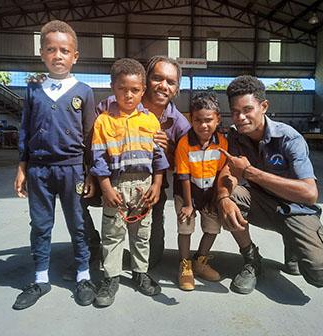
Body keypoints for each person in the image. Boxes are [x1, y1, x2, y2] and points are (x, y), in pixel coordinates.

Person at [217, 75, 323, 294]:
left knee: (321, 273)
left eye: (247, 110)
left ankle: (293, 241)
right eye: (235, 112)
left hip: (296, 209)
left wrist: (250, 172)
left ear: (263, 106)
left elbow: (310, 193)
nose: (240, 117)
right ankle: (252, 260)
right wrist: (224, 198)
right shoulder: (236, 137)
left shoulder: (290, 139)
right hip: (263, 204)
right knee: (228, 196)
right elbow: (229, 172)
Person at [13, 20, 97, 309]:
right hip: (39, 169)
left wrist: (91, 173)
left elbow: (90, 135)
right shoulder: (33, 88)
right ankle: (40, 278)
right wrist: (22, 166)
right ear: (41, 53)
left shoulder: (84, 91)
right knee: (40, 224)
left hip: (72, 168)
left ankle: (83, 276)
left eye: (64, 50)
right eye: (51, 49)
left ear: (75, 55)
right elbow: (25, 129)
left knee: (78, 223)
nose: (57, 55)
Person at [97, 56, 191, 268]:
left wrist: (169, 149)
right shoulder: (109, 107)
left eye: (171, 82)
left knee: (152, 257)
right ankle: (92, 246)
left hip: (148, 187)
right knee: (75, 194)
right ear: (146, 80)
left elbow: (185, 165)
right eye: (157, 78)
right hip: (110, 180)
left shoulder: (180, 125)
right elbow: (92, 145)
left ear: (177, 89)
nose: (163, 86)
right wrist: (95, 181)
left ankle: (141, 256)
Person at [90, 58, 169, 307]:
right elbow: (98, 158)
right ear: (113, 87)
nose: (128, 94)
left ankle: (140, 272)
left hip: (144, 186)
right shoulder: (103, 121)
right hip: (115, 185)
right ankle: (111, 277)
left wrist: (156, 185)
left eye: (135, 90)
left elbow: (159, 158)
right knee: (112, 234)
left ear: (143, 90)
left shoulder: (150, 121)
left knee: (141, 233)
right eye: (123, 88)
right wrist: (105, 188)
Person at [174, 92, 228, 291]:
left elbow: (222, 170)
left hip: (209, 193)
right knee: (185, 226)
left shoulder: (222, 143)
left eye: (208, 120)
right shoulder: (184, 144)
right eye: (198, 120)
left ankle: (200, 260)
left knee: (212, 227)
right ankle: (185, 264)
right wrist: (188, 205)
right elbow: (183, 176)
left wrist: (217, 196)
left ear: (217, 119)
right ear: (191, 119)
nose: (203, 125)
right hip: (186, 192)